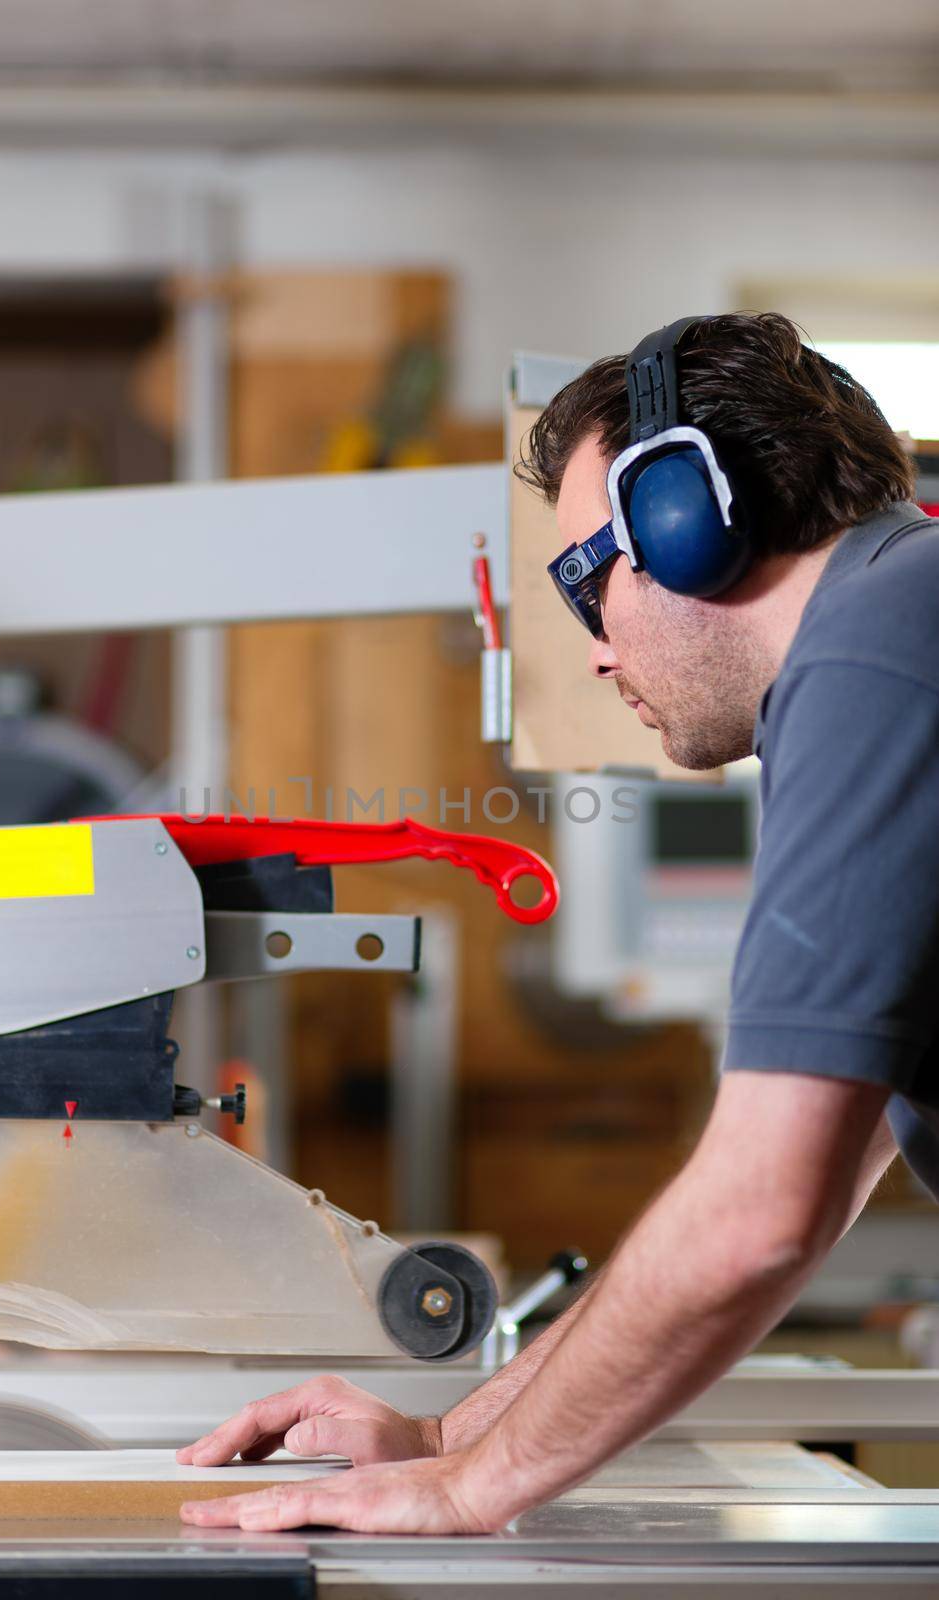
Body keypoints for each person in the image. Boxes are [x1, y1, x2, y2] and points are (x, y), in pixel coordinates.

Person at [176, 312, 937, 1535]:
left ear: (689, 519)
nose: (592, 655)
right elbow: (822, 1161)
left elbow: (755, 1214)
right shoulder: (894, 621)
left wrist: (470, 1486)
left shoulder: (874, 653)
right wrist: (446, 1435)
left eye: (586, 581)